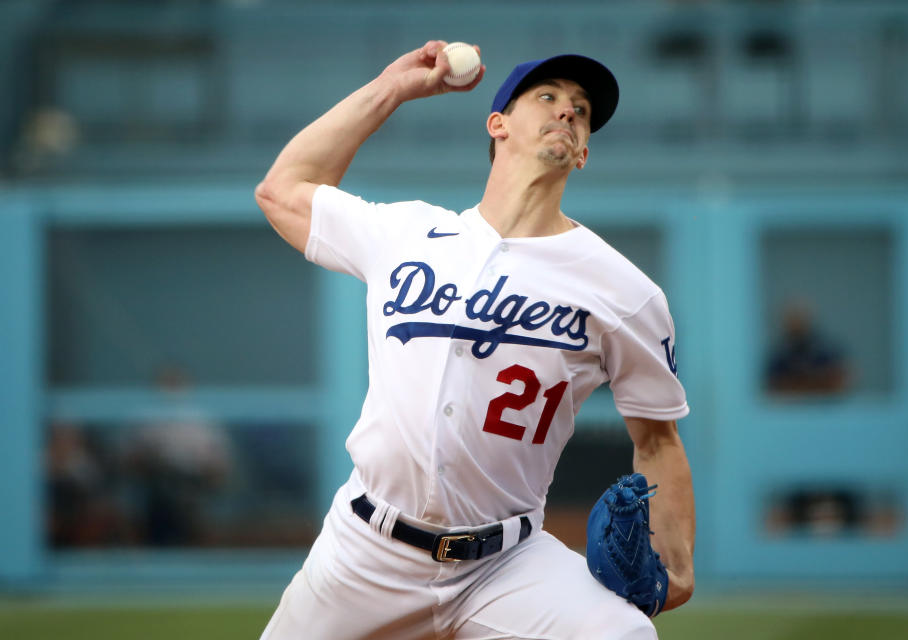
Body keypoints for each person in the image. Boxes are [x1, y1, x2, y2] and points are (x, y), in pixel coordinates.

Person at [255, 40, 695, 640]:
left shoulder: (625, 291)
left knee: (625, 635)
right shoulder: (407, 233)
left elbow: (658, 440)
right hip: (365, 554)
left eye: (581, 109)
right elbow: (283, 189)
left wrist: (679, 570)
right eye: (547, 97)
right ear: (499, 126)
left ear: (584, 152)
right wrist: (391, 89)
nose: (568, 110)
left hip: (506, 564)